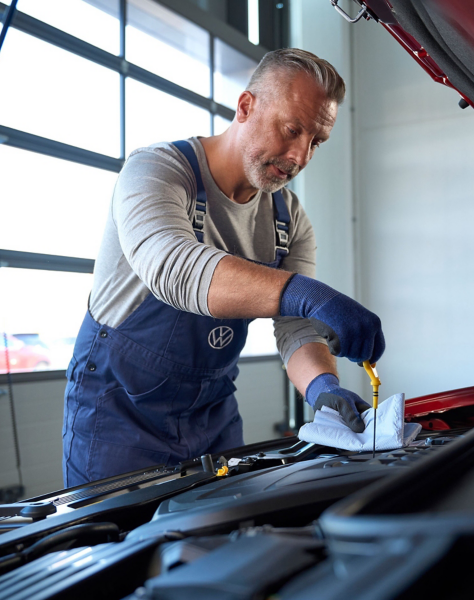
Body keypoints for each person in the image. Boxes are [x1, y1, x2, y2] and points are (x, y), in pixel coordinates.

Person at [62, 49, 385, 486]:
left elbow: (297, 327)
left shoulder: (288, 220)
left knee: (227, 538)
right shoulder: (157, 171)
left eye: (316, 141)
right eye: (292, 130)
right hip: (119, 414)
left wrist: (322, 389)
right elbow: (174, 268)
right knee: (121, 547)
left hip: (211, 416)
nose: (300, 156)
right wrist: (311, 295)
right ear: (246, 106)